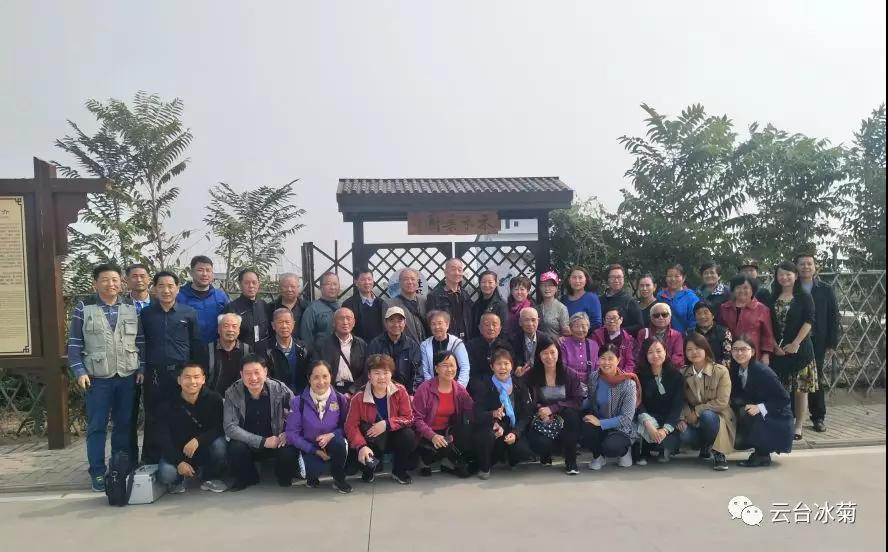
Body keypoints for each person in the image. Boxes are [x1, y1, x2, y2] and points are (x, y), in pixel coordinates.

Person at [67, 263, 144, 491]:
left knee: (124, 425)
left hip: (127, 376)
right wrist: (80, 371)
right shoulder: (84, 307)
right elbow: (74, 344)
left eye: (115, 280)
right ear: (95, 283)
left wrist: (142, 368)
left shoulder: (131, 307)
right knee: (97, 426)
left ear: (121, 282)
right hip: (97, 378)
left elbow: (140, 341)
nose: (111, 284)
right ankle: (98, 472)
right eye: (105, 280)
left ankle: (120, 467)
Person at [140, 271, 202, 464]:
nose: (166, 290)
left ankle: (185, 460)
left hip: (181, 375)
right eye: (161, 286)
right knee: (153, 417)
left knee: (182, 416)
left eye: (170, 286)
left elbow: (196, 343)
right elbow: (141, 344)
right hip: (155, 375)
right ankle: (151, 461)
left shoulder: (188, 313)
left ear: (177, 289)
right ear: (154, 289)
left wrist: (196, 373)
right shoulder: (146, 314)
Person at [224, 354, 300, 490]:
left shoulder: (279, 389)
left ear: (265, 372)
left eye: (257, 372)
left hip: (276, 440)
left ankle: (283, 476)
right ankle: (248, 477)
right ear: (241, 374)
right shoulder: (232, 392)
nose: (253, 378)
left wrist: (288, 432)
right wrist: (262, 441)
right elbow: (230, 427)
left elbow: (298, 412)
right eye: (248, 373)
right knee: (235, 447)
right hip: (249, 442)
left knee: (289, 449)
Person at [344, 354, 416, 485]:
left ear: (391, 374)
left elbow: (409, 418)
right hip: (371, 439)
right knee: (366, 445)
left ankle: (398, 471)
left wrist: (387, 423)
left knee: (408, 435)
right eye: (377, 373)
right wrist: (361, 446)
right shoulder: (358, 396)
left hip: (392, 436)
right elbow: (350, 426)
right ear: (369, 375)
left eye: (386, 373)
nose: (382, 377)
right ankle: (369, 469)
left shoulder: (400, 391)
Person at [156, 363, 227, 494]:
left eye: (196, 377)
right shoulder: (168, 404)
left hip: (204, 447)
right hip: (179, 451)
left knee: (220, 446)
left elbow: (218, 428)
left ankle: (210, 477)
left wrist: (198, 440)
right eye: (187, 377)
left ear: (203, 379)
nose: (192, 381)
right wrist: (179, 462)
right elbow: (163, 438)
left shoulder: (214, 399)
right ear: (179, 380)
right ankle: (180, 478)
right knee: (167, 475)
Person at [285, 361, 352, 493]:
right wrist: (313, 450)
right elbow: (291, 434)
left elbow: (346, 426)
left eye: (325, 376)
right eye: (316, 377)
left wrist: (332, 435)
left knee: (339, 443)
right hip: (310, 446)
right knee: (313, 471)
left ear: (331, 377)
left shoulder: (340, 399)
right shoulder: (298, 402)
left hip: (333, 443)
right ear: (309, 378)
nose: (321, 382)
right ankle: (312, 476)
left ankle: (339, 478)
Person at [768, 261, 817, 441]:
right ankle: (782, 423)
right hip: (778, 352)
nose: (785, 277)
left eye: (788, 274)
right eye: (781, 274)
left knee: (800, 390)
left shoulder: (804, 296)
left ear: (795, 276)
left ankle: (798, 426)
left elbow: (809, 321)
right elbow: (767, 324)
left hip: (800, 351)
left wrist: (796, 343)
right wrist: (774, 346)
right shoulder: (773, 297)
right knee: (779, 389)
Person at [729, 336, 795, 468]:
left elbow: (784, 399)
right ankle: (755, 448)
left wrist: (760, 408)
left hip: (777, 414)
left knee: (748, 412)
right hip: (757, 409)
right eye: (735, 349)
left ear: (753, 352)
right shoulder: (736, 369)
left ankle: (762, 454)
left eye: (743, 349)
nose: (739, 353)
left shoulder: (762, 371)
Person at [469, 348, 535, 478]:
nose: (503, 367)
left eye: (506, 363)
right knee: (488, 436)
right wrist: (493, 415)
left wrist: (515, 433)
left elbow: (525, 415)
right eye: (498, 364)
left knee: (523, 451)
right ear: (492, 367)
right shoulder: (485, 386)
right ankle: (485, 467)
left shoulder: (519, 385)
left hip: (512, 428)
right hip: (493, 429)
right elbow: (477, 414)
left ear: (512, 366)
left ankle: (509, 457)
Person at [412, 351, 476, 477]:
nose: (449, 369)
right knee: (431, 451)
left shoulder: (459, 390)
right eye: (445, 365)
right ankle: (423, 460)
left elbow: (472, 410)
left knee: (467, 429)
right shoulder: (425, 389)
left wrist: (492, 415)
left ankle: (446, 458)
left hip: (447, 431)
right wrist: (432, 436)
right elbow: (416, 418)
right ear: (436, 368)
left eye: (452, 365)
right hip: (426, 434)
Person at [677, 333, 735, 471]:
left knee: (707, 415)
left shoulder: (720, 371)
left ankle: (719, 453)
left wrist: (697, 411)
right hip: (693, 419)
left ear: (706, 349)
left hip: (718, 417)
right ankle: (705, 445)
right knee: (684, 434)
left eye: (698, 348)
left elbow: (722, 402)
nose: (694, 352)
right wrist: (684, 416)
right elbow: (680, 399)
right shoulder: (683, 373)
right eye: (689, 349)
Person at [525, 335, 583, 475]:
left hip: (565, 418)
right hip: (542, 418)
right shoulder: (531, 375)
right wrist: (540, 410)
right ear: (538, 355)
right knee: (541, 443)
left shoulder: (570, 374)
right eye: (545, 353)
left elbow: (577, 401)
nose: (549, 357)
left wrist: (553, 408)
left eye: (552, 352)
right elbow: (525, 399)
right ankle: (546, 454)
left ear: (559, 353)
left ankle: (571, 461)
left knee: (572, 415)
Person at [796, 253, 840, 433]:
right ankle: (793, 416)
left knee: (815, 378)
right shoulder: (791, 287)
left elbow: (833, 316)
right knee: (793, 378)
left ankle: (818, 417)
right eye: (802, 264)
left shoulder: (825, 289)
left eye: (809, 264)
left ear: (815, 267)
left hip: (817, 340)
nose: (806, 267)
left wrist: (832, 343)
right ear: (796, 267)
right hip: (795, 340)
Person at [581, 348, 640, 470]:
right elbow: (590, 400)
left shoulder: (628, 384)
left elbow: (626, 418)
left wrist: (600, 423)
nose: (606, 362)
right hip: (598, 423)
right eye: (603, 358)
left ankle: (624, 451)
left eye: (610, 359)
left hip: (621, 428)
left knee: (612, 447)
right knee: (583, 425)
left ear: (618, 360)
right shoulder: (594, 377)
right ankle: (598, 456)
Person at [634, 338, 684, 465]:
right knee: (644, 425)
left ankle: (663, 449)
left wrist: (665, 430)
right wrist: (648, 423)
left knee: (668, 441)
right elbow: (638, 403)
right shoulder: (639, 376)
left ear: (665, 351)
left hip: (668, 419)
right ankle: (644, 451)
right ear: (645, 355)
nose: (655, 355)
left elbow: (677, 406)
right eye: (650, 352)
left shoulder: (676, 376)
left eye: (658, 351)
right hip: (647, 419)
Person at [123, 263, 151, 461]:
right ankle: (129, 460)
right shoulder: (120, 305)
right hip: (128, 367)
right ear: (127, 280)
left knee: (154, 414)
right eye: (134, 276)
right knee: (128, 416)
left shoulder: (160, 302)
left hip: (155, 367)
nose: (139, 279)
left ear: (149, 279)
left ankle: (150, 456)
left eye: (142, 275)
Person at [718, 274, 776, 366]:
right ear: (733, 290)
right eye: (738, 288)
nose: (742, 291)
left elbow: (767, 335)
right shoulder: (724, 308)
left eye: (746, 288)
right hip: (729, 354)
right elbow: (719, 331)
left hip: (752, 355)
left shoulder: (762, 309)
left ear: (752, 290)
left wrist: (766, 355)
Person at [311, 307, 368, 396]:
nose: (345, 322)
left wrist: (352, 391)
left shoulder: (361, 344)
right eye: (341, 318)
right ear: (333, 323)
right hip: (329, 391)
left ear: (353, 322)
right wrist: (332, 393)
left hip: (355, 391)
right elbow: (316, 370)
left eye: (348, 318)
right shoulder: (322, 345)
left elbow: (366, 372)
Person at [367, 307, 423, 392]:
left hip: (406, 392)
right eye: (392, 320)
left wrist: (411, 393)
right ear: (386, 323)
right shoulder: (375, 344)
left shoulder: (412, 346)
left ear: (404, 323)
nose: (396, 324)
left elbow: (417, 374)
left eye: (400, 321)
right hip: (380, 391)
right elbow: (369, 370)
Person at [176, 255, 230, 345]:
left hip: (215, 348)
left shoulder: (221, 296)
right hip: (188, 348)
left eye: (208, 270)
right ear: (191, 273)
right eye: (200, 270)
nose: (205, 274)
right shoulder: (179, 296)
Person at [260, 308, 309, 392]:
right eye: (280, 322)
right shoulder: (264, 349)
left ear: (293, 324)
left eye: (287, 322)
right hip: (275, 395)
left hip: (300, 396)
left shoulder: (303, 348)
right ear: (273, 325)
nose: (284, 326)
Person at [419, 310, 471, 387]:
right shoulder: (425, 345)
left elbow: (465, 367)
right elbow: (425, 370)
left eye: (440, 323)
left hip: (455, 386)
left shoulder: (457, 343)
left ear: (447, 325)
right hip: (432, 387)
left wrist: (459, 388)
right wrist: (431, 388)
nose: (437, 327)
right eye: (433, 324)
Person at [425, 258, 474, 340]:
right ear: (445, 272)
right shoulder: (434, 296)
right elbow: (431, 324)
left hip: (466, 341)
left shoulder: (465, 295)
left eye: (460, 270)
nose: (457, 273)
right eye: (453, 269)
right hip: (445, 342)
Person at [207, 313, 254, 394]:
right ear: (218, 329)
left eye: (234, 326)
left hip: (240, 397)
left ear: (238, 331)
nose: (230, 330)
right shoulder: (207, 350)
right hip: (214, 398)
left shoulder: (247, 350)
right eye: (226, 326)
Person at [224, 268, 272, 348]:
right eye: (247, 283)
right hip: (241, 352)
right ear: (240, 285)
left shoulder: (264, 305)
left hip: (262, 352)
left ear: (258, 284)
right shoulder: (232, 308)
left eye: (254, 282)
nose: (251, 286)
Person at [465, 312, 514, 383]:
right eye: (487, 325)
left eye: (494, 325)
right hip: (479, 384)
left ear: (500, 329)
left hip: (502, 383)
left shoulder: (506, 346)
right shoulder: (470, 346)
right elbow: (470, 372)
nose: (491, 328)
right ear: (480, 328)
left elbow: (510, 369)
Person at [382, 268, 428, 343]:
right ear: (400, 283)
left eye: (413, 279)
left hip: (426, 347)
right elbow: (387, 332)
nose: (410, 282)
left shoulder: (425, 301)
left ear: (417, 282)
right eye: (406, 279)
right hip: (404, 347)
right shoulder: (389, 304)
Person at [299, 272, 342, 351]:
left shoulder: (343, 308)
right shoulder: (312, 309)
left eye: (335, 284)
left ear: (339, 287)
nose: (332, 287)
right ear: (321, 287)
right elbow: (306, 338)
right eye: (328, 284)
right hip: (321, 354)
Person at [599, 264, 644, 336]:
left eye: (619, 277)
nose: (616, 280)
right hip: (601, 339)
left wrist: (617, 331)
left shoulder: (630, 301)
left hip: (624, 340)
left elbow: (639, 325)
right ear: (608, 279)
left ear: (623, 279)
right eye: (613, 277)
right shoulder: (600, 300)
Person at [636, 303, 685, 368]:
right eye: (656, 315)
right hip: (647, 369)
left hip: (670, 370)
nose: (661, 317)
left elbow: (678, 357)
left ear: (670, 317)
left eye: (664, 315)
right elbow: (638, 355)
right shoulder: (643, 333)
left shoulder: (676, 335)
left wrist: (661, 367)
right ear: (651, 318)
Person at [592, 306, 637, 374]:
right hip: (600, 373)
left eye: (614, 318)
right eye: (608, 318)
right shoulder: (596, 336)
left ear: (621, 320)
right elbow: (593, 358)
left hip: (621, 375)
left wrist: (621, 375)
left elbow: (630, 363)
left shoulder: (628, 339)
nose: (612, 321)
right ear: (604, 321)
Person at [342, 270, 384, 342]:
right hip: (358, 345)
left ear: (373, 281)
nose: (367, 282)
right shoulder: (348, 304)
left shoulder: (381, 303)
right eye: (363, 280)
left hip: (380, 345)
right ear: (356, 282)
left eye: (369, 279)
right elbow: (347, 329)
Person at [656, 264, 699, 333]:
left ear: (683, 278)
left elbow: (695, 322)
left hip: (685, 337)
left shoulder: (691, 297)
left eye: (677, 276)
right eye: (669, 276)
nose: (673, 279)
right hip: (662, 337)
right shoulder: (660, 296)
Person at [508, 307, 546, 378]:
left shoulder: (546, 340)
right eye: (526, 320)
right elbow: (511, 361)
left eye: (533, 320)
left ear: (538, 321)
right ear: (520, 322)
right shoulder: (512, 341)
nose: (530, 324)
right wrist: (516, 368)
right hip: (520, 377)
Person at [561, 313, 600, 383]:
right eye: (576, 326)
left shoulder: (593, 345)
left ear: (588, 327)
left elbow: (596, 367)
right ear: (570, 328)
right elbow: (563, 367)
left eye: (583, 326)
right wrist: (581, 377)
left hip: (589, 384)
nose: (580, 330)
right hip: (569, 383)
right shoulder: (564, 343)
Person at [561, 266, 602, 331]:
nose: (577, 281)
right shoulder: (564, 299)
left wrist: (578, 331)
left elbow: (596, 323)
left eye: (580, 277)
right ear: (569, 280)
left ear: (586, 280)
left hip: (586, 336)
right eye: (574, 277)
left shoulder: (592, 298)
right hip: (565, 336)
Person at [470, 270, 510, 338]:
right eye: (483, 282)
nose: (486, 285)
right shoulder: (476, 305)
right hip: (477, 342)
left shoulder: (501, 305)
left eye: (490, 282)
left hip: (496, 343)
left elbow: (504, 330)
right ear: (479, 284)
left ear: (496, 284)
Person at [693, 301, 732, 365]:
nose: (702, 316)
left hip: (719, 369)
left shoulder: (724, 333)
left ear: (713, 315)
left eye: (706, 312)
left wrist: (712, 369)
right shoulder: (690, 334)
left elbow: (727, 359)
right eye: (699, 313)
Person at [537, 271, 570, 338]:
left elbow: (566, 333)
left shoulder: (561, 308)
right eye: (544, 285)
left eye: (550, 285)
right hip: (539, 344)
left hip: (555, 343)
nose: (547, 288)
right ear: (540, 287)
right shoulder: (536, 307)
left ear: (556, 288)